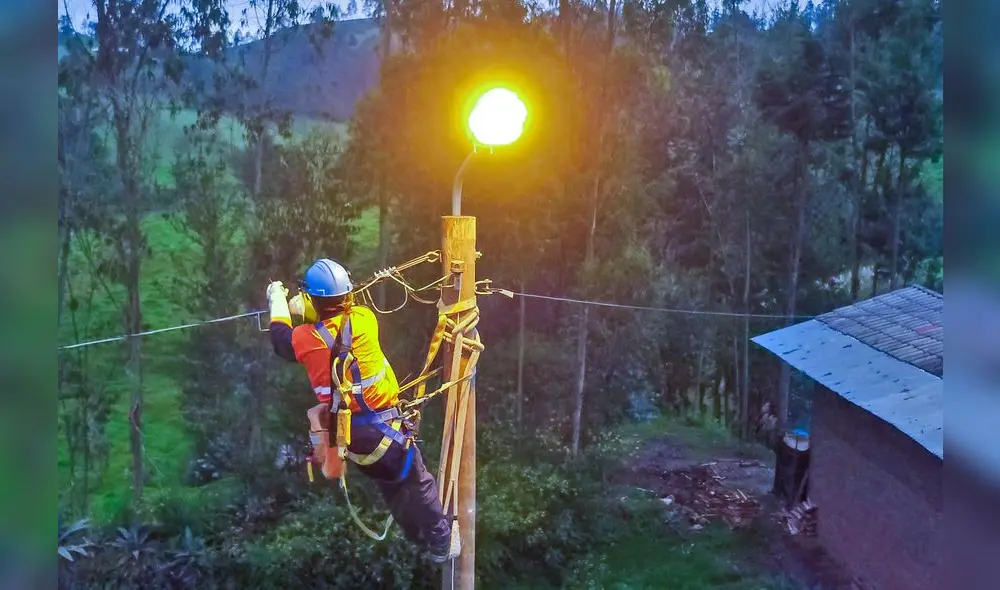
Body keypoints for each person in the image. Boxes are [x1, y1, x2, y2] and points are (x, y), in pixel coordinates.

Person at [265, 258, 458, 563]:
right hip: (386, 431)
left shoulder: (304, 339)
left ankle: (418, 539)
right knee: (418, 482)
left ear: (312, 299)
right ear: (347, 296)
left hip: (352, 439)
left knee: (392, 484)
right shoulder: (366, 320)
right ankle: (440, 542)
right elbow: (339, 319)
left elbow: (281, 342)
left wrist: (278, 301)